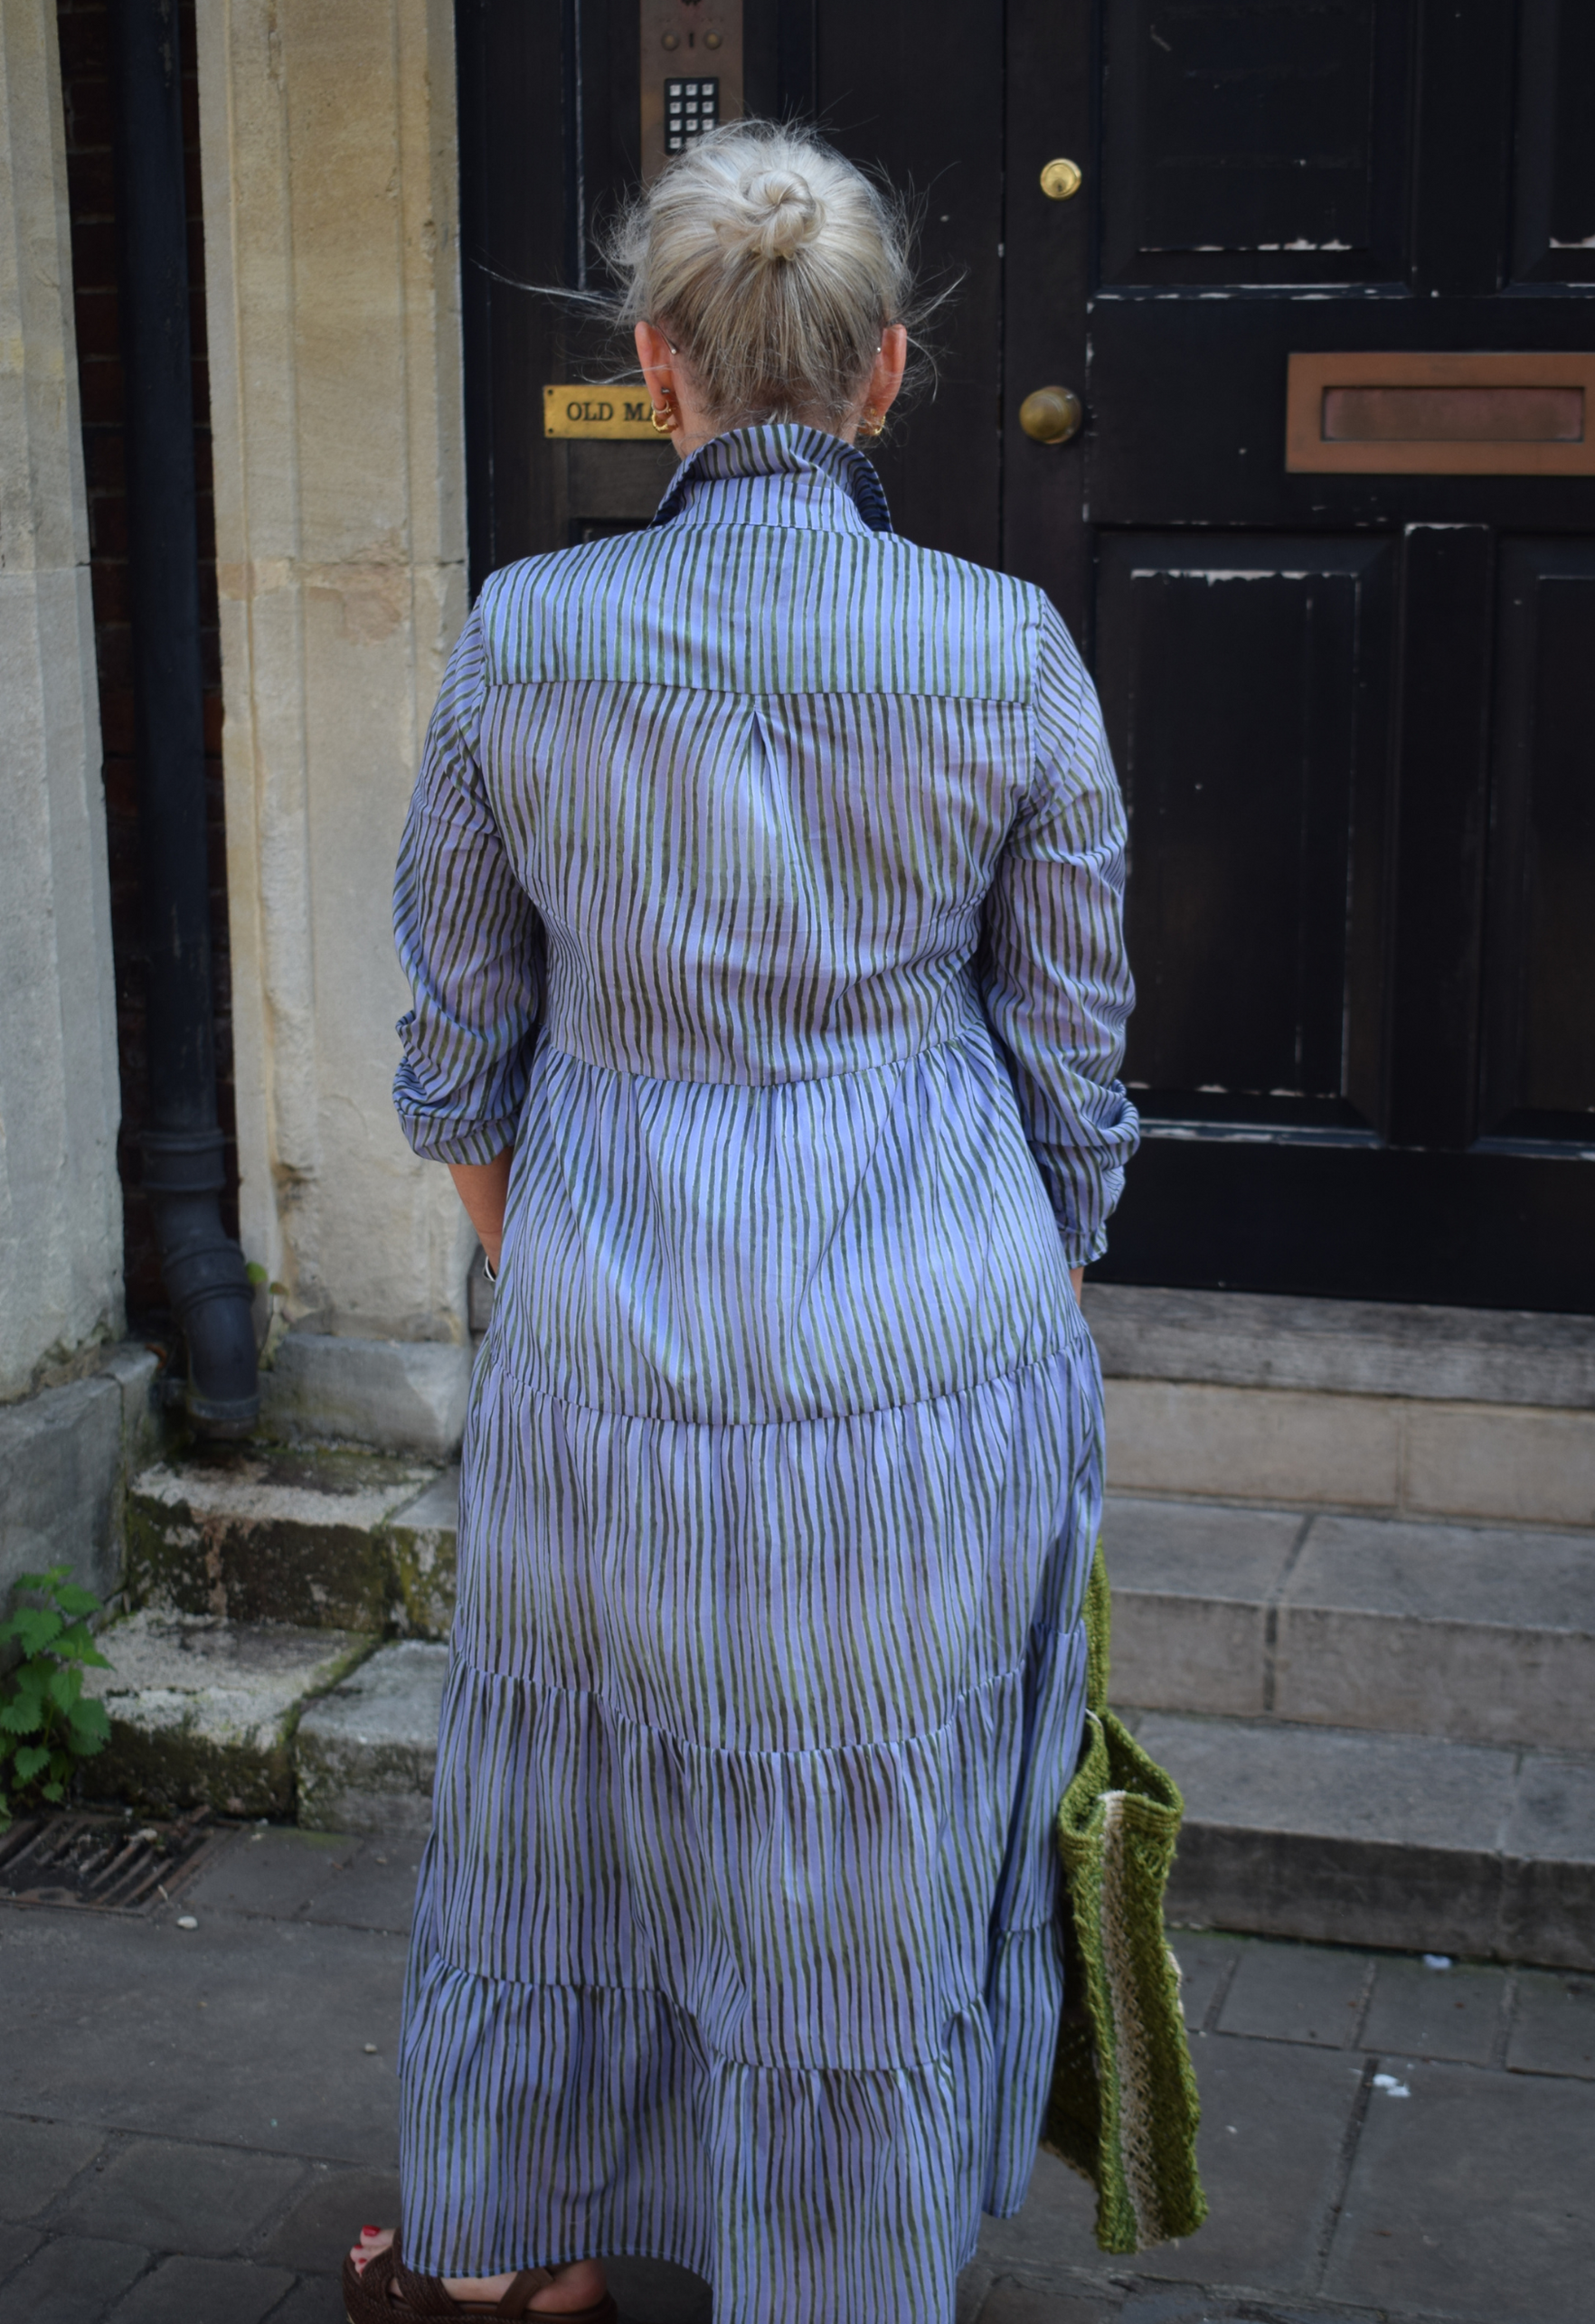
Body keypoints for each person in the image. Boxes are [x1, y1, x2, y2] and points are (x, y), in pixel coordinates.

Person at [344, 119, 1137, 2324]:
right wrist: (1006, 1288)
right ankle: (837, 2275)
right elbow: (1073, 1052)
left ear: (656, 370)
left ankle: (520, 2258)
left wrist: (555, 1262)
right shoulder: (1005, 645)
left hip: (611, 1322)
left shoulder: (532, 633)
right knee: (869, 1848)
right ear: (884, 372)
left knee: (569, 1819)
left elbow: (460, 1033)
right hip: (938, 1340)